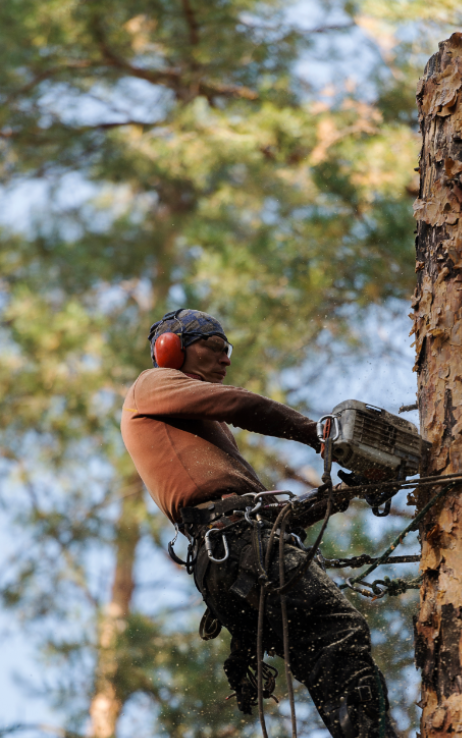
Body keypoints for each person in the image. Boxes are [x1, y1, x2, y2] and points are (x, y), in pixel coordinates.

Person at [120, 308, 397, 738]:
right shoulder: (152, 384)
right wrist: (315, 433)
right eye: (215, 348)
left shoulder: (198, 433)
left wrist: (346, 493)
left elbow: (274, 516)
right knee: (341, 632)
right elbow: (241, 403)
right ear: (171, 349)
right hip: (238, 547)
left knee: (326, 662)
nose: (226, 359)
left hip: (233, 556)